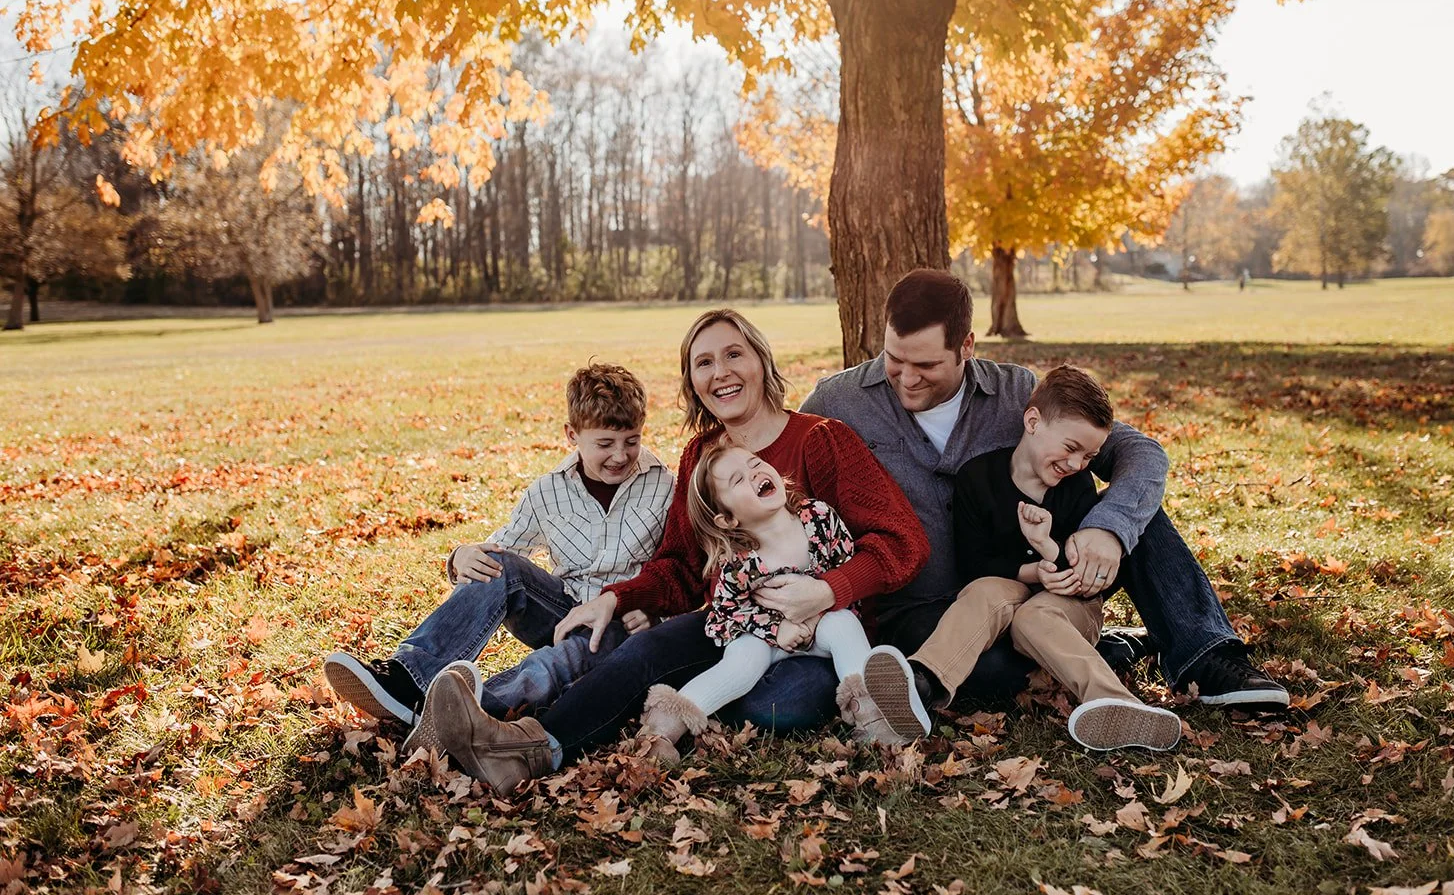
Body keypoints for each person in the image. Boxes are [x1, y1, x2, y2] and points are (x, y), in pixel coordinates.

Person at [410, 309, 931, 796]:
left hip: (823, 631)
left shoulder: (821, 439)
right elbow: (681, 565)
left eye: (733, 354)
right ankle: (528, 747)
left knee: (777, 705)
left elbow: (903, 542)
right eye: (703, 362)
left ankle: (849, 702)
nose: (720, 372)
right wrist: (617, 598)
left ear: (761, 361)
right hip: (735, 622)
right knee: (642, 651)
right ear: (692, 382)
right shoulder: (701, 456)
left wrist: (828, 589)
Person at [800, 270, 1289, 720]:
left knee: (1134, 511)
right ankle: (1102, 650)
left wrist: (1107, 528)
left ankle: (1206, 653)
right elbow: (778, 467)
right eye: (894, 360)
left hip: (1038, 588)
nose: (907, 378)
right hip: (924, 608)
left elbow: (1140, 453)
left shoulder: (1017, 394)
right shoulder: (835, 403)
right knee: (990, 676)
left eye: (926, 364)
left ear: (967, 345)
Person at [320, 363, 672, 741]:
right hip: (565, 610)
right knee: (499, 566)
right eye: (605, 444)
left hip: (622, 623)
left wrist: (656, 611)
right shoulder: (547, 491)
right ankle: (409, 679)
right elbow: (500, 549)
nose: (620, 455)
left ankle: (462, 713)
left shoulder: (665, 485)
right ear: (572, 434)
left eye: (631, 440)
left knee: (554, 663)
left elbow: (680, 566)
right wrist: (459, 558)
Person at [881, 363, 1181, 751]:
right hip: (1006, 594)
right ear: (1033, 421)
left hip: (1069, 607)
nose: (1076, 464)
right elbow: (973, 565)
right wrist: (1034, 570)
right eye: (1071, 448)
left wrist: (1048, 549)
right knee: (986, 590)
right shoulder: (978, 478)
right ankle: (921, 683)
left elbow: (1082, 575)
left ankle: (1117, 705)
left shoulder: (1075, 487)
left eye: (1089, 457)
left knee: (1034, 615)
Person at [633, 441, 922, 763]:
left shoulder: (819, 518)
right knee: (742, 664)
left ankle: (874, 718)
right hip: (763, 638)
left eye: (755, 462)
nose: (754, 473)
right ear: (726, 520)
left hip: (822, 626)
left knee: (845, 625)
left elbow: (846, 570)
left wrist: (817, 615)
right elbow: (723, 617)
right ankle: (660, 731)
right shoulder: (739, 561)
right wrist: (775, 630)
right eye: (738, 480)